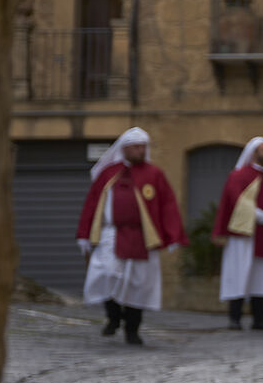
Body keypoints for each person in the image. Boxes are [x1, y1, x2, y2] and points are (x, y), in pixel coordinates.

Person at [77, 127, 185, 347]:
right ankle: (114, 316)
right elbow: (92, 204)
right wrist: (84, 234)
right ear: (124, 148)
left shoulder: (154, 174)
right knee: (105, 276)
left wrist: (174, 234)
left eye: (143, 147)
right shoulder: (108, 173)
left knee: (138, 285)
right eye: (136, 147)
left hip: (143, 238)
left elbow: (168, 205)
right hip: (111, 235)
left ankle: (132, 330)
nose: (140, 151)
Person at [214, 137, 263, 331]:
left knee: (261, 276)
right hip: (244, 234)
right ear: (254, 153)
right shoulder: (238, 176)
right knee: (239, 274)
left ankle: (259, 319)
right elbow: (238, 201)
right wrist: (261, 216)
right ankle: (234, 318)